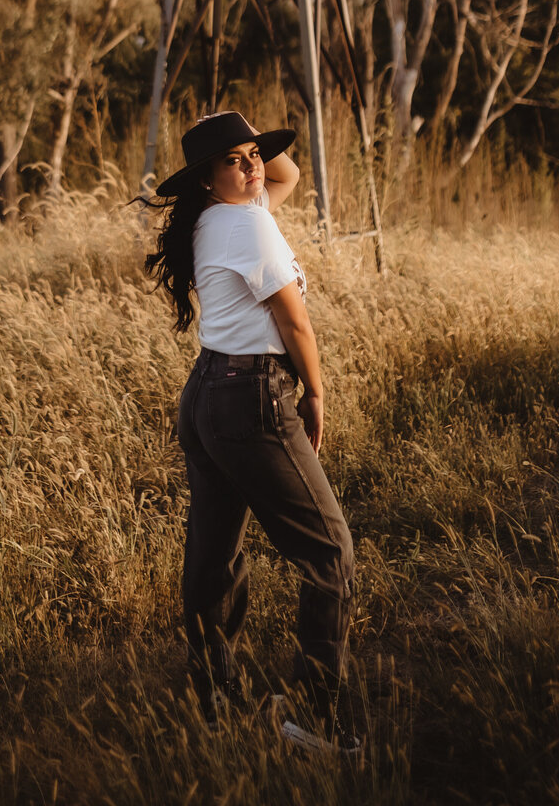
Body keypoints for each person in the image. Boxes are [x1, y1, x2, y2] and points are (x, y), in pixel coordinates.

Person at [145, 110, 356, 747]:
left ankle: (212, 702)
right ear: (208, 178)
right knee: (330, 552)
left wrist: (248, 144)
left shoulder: (214, 217)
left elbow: (283, 170)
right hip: (251, 398)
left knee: (214, 555)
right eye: (235, 160)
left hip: (208, 394)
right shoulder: (246, 223)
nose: (253, 166)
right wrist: (315, 391)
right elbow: (295, 324)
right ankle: (319, 723)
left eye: (252, 155)